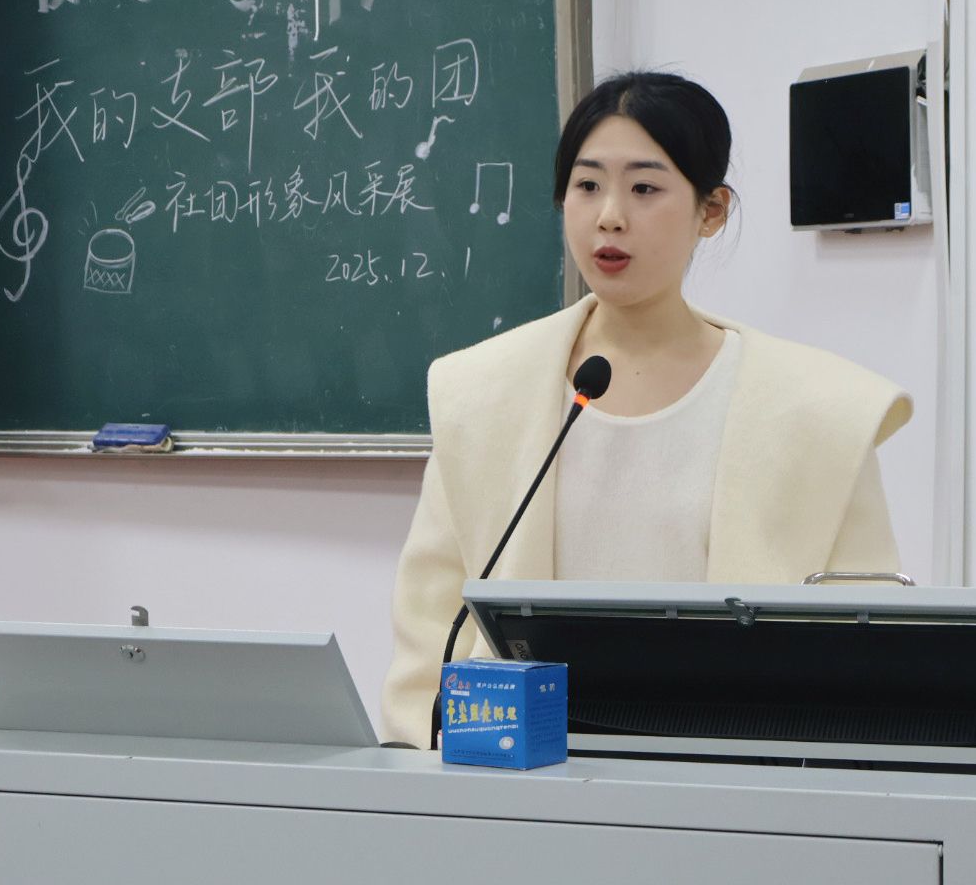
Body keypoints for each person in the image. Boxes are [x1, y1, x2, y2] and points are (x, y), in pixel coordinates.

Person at [380, 71, 911, 748]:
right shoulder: (483, 392)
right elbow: (430, 633)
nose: (610, 216)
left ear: (711, 211)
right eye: (587, 185)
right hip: (519, 780)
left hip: (738, 781)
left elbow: (866, 645)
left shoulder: (817, 409)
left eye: (645, 189)